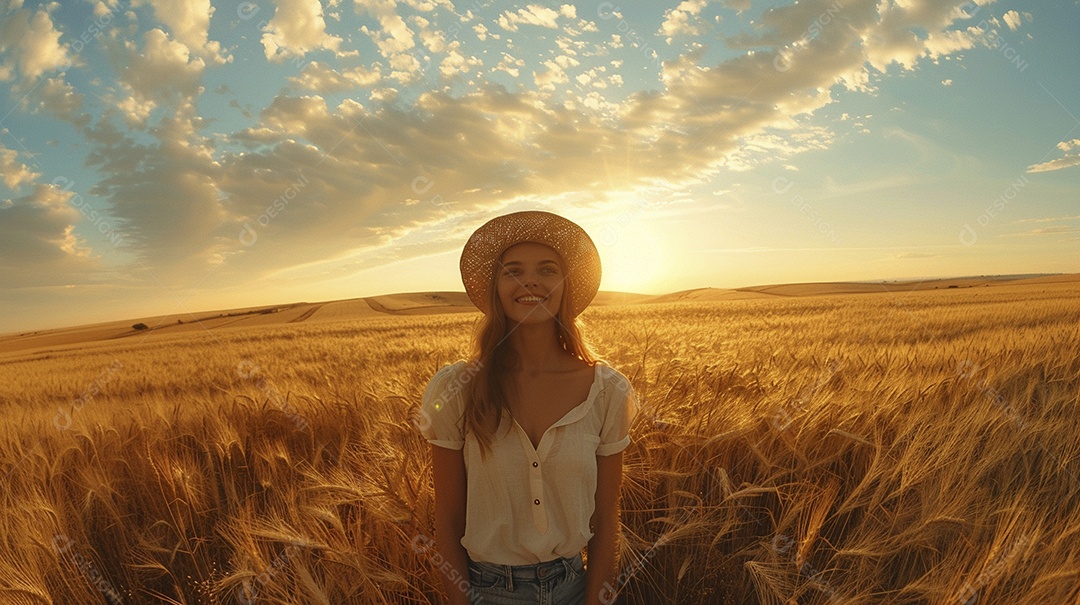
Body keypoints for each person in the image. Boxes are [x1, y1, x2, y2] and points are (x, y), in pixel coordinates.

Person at [417, 210, 640, 605]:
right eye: (512, 270)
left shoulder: (607, 392)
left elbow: (607, 522)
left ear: (565, 286)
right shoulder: (457, 389)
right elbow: (447, 525)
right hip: (485, 592)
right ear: (496, 289)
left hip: (575, 587)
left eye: (548, 269)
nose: (530, 280)